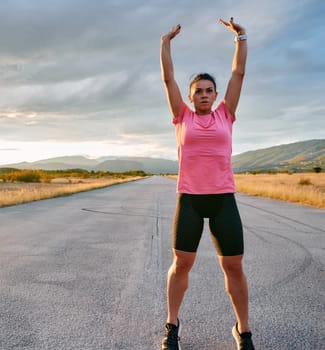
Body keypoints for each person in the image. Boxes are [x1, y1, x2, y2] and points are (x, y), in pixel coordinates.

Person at [159, 18, 254, 350]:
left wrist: (240, 37)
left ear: (215, 95)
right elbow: (168, 78)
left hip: (223, 199)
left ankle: (243, 330)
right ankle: (172, 326)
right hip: (190, 199)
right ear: (189, 96)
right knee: (182, 264)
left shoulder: (226, 114)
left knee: (234, 266)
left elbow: (238, 74)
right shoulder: (181, 116)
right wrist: (166, 42)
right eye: (197, 91)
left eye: (208, 90)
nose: (203, 95)